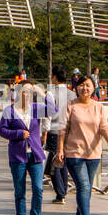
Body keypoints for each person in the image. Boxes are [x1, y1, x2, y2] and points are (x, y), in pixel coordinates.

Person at [55, 75, 108, 215]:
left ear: (94, 88)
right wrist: (60, 150)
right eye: (81, 85)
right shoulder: (71, 106)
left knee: (85, 188)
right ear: (76, 88)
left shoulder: (98, 107)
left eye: (88, 85)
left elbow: (104, 126)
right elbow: (62, 129)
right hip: (74, 152)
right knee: (84, 186)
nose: (84, 88)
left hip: (94, 153)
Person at [0, 80, 52, 215]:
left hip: (35, 154)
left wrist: (42, 93)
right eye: (24, 90)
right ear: (18, 92)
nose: (27, 94)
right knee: (20, 190)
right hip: (17, 156)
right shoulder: (10, 110)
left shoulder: (37, 109)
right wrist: (18, 134)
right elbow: (2, 130)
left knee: (38, 188)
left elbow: (53, 109)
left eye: (30, 91)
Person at [44, 66, 72, 204]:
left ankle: (60, 193)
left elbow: (48, 115)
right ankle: (63, 191)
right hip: (68, 132)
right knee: (63, 162)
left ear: (54, 76)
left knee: (54, 163)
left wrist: (44, 132)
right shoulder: (72, 94)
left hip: (54, 131)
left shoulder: (50, 94)